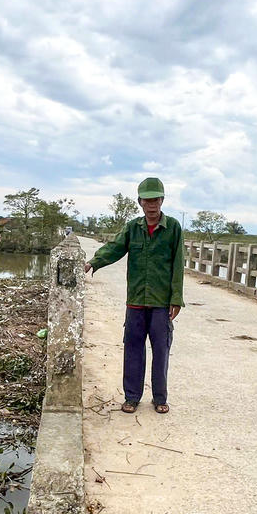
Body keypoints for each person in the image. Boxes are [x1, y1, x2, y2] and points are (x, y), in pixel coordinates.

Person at [84, 177, 184, 414]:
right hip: (136, 301)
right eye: (147, 200)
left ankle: (160, 397)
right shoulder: (133, 228)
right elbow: (115, 248)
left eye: (156, 200)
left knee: (161, 350)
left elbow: (178, 265)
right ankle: (131, 397)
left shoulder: (173, 229)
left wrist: (176, 298)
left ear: (162, 201)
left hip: (161, 302)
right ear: (140, 202)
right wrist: (92, 263)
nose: (152, 205)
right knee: (133, 349)